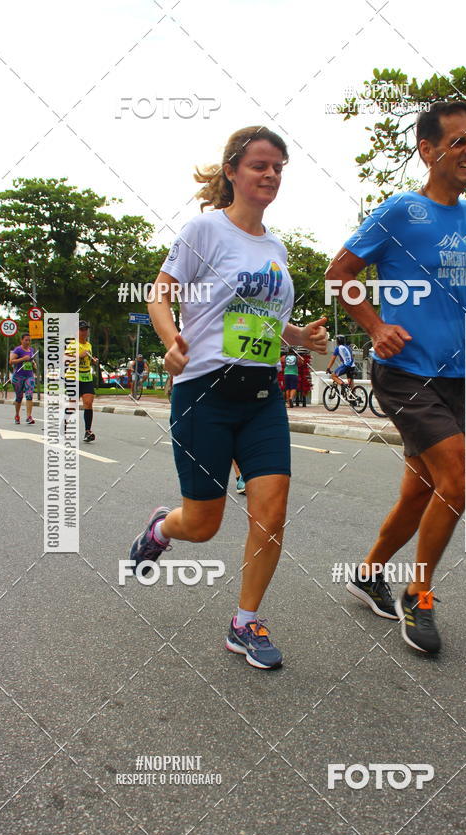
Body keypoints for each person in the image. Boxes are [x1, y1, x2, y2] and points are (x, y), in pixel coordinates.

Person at [326, 100, 466, 654]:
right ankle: (418, 595)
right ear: (428, 150)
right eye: (458, 142)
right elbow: (339, 275)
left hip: (456, 376)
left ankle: (368, 572)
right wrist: (375, 326)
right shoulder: (400, 211)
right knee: (460, 479)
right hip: (404, 373)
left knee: (420, 489)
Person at [129, 125, 327, 669]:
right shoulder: (204, 231)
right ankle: (162, 527)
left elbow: (263, 320)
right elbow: (160, 295)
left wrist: (299, 338)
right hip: (204, 394)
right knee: (204, 523)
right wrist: (172, 343)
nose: (270, 175)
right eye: (260, 165)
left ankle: (245, 622)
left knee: (272, 509)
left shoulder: (276, 246)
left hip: (262, 395)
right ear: (233, 171)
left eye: (279, 168)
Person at [65, 320, 98, 442]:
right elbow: (65, 359)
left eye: (86, 329)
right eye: (81, 330)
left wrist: (93, 360)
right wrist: (79, 355)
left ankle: (87, 431)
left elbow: (87, 360)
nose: (84, 332)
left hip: (86, 377)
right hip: (73, 377)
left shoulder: (89, 345)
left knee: (88, 403)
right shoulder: (73, 344)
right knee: (73, 404)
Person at [9, 333, 37, 424]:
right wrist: (22, 359)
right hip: (18, 376)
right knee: (19, 397)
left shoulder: (31, 350)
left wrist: (33, 364)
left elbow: (31, 359)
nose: (28, 342)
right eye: (26, 340)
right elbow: (11, 361)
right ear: (21, 340)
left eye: (29, 340)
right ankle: (17, 415)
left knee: (29, 395)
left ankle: (29, 416)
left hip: (29, 375)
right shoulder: (18, 350)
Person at [326, 335, 357, 400]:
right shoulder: (348, 347)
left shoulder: (338, 348)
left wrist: (328, 368)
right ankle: (354, 397)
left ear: (337, 341)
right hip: (352, 366)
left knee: (333, 376)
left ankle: (342, 385)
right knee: (350, 382)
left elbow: (333, 360)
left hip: (346, 366)